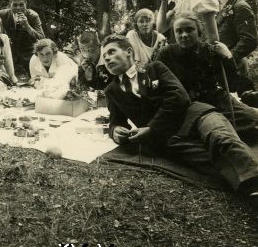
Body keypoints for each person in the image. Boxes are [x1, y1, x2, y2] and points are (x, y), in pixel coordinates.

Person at [102, 34, 258, 208]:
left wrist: (152, 128)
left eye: (111, 51)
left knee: (222, 139)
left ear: (129, 51)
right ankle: (248, 186)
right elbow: (116, 122)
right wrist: (116, 132)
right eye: (104, 56)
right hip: (172, 138)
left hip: (196, 115)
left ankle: (254, 184)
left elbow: (179, 97)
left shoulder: (155, 68)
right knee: (206, 160)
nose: (106, 58)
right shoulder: (111, 91)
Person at [155, 11, 258, 140]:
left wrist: (228, 57)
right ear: (174, 33)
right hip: (187, 105)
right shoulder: (166, 53)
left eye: (189, 30)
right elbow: (157, 86)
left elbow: (231, 86)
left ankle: (213, 132)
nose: (184, 35)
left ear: (199, 32)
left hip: (216, 101)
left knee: (251, 118)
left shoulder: (210, 51)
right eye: (179, 31)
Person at [208, 0, 258, 106]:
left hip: (232, 71)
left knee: (237, 108)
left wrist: (229, 58)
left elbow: (250, 40)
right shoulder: (218, 6)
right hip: (218, 70)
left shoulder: (240, 7)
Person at [0, 0, 45, 73]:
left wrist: (27, 26)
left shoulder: (32, 16)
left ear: (26, 4)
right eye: (15, 5)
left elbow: (41, 37)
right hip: (9, 52)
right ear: (10, 5)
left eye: (21, 5)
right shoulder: (2, 15)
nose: (18, 8)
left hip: (28, 53)